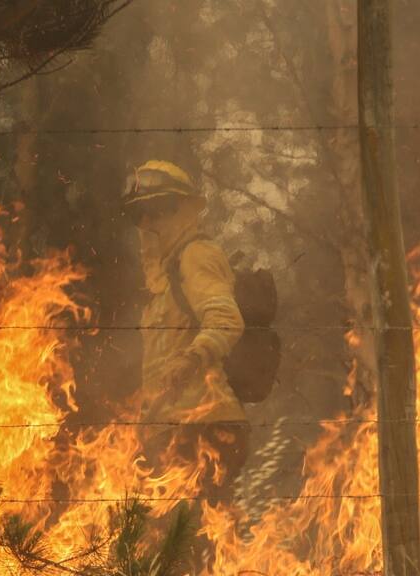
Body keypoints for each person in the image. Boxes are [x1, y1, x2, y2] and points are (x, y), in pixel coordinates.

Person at [122, 159, 250, 502]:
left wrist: (190, 359)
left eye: (155, 209)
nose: (146, 222)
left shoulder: (195, 255)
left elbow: (225, 318)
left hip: (205, 424)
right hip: (174, 428)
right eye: (138, 215)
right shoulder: (162, 282)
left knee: (192, 541)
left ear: (181, 210)